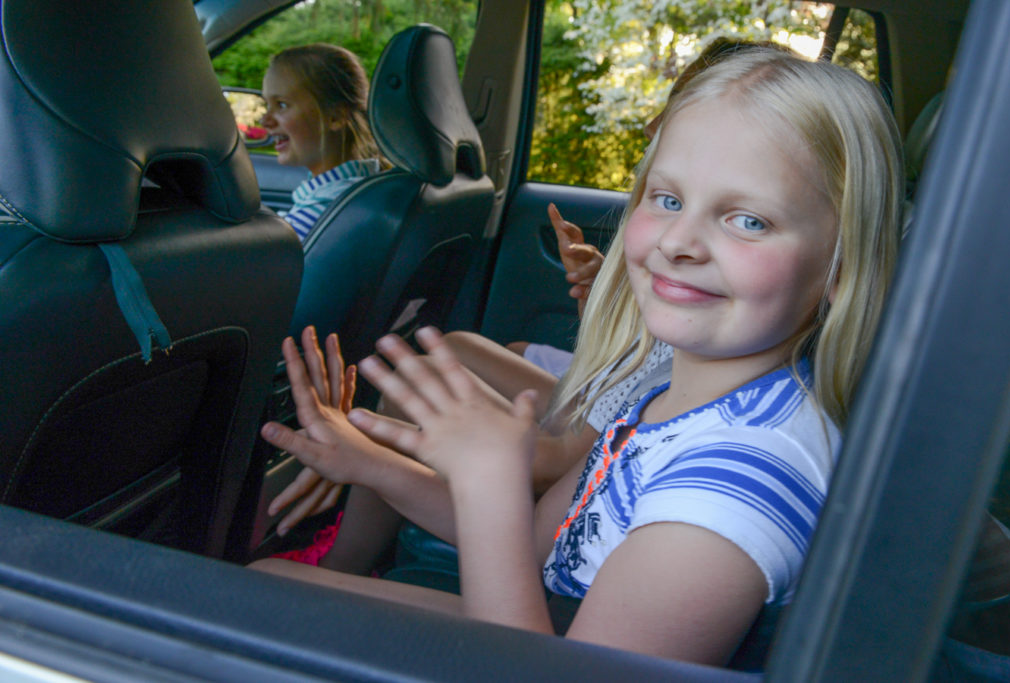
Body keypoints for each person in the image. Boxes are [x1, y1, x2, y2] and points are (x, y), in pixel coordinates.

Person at [251, 47, 904, 665]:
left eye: (748, 220)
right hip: (550, 621)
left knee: (254, 602)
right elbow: (541, 541)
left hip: (544, 650)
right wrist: (368, 462)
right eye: (668, 198)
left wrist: (487, 486)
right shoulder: (674, 390)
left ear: (842, 269)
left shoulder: (738, 487)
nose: (679, 240)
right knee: (266, 582)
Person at [262, 44, 385, 240]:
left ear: (335, 117)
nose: (265, 121)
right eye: (266, 105)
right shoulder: (371, 183)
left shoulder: (321, 213)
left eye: (282, 104)